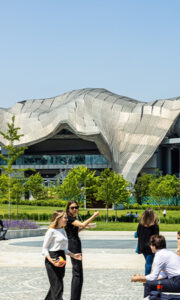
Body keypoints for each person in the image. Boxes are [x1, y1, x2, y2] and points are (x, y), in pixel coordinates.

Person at [42, 211, 82, 300]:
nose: (67, 220)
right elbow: (44, 249)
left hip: (61, 258)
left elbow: (64, 249)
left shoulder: (62, 231)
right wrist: (50, 259)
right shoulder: (51, 231)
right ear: (58, 219)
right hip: (53, 257)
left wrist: (74, 255)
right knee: (58, 286)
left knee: (56, 284)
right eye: (65, 218)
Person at [65, 201, 99, 300]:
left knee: (78, 273)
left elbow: (75, 230)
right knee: (77, 273)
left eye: (76, 207)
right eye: (72, 208)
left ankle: (75, 297)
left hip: (74, 242)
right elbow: (82, 224)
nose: (75, 209)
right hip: (73, 244)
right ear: (68, 209)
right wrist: (94, 216)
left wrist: (86, 227)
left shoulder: (72, 218)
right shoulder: (69, 218)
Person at [136, 208, 159, 275]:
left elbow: (138, 234)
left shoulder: (140, 224)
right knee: (149, 263)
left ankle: (147, 276)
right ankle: (147, 279)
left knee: (147, 262)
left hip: (142, 245)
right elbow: (156, 236)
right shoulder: (155, 225)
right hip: (151, 246)